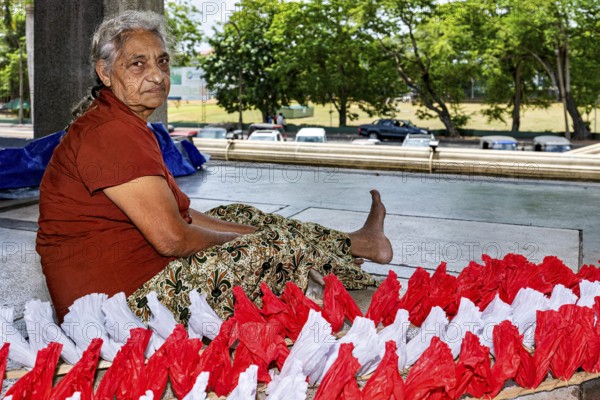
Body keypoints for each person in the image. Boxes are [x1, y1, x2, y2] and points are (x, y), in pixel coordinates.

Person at [36, 10, 393, 324]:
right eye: (137, 64)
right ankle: (328, 267)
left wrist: (247, 232)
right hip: (117, 307)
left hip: (139, 279)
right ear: (105, 72)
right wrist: (252, 242)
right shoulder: (109, 133)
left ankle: (357, 245)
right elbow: (173, 237)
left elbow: (183, 214)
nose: (158, 76)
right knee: (268, 248)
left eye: (162, 62)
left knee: (243, 216)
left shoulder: (123, 122)